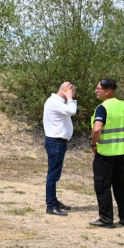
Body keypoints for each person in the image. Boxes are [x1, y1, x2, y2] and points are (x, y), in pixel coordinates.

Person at [89, 78, 124, 228]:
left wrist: (93, 143)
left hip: (105, 153)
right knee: (119, 185)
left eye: (98, 88)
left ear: (107, 91)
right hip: (120, 153)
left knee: (102, 186)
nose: (96, 90)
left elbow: (97, 129)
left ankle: (106, 219)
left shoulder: (102, 107)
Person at [42, 81, 77, 216]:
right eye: (72, 92)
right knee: (53, 174)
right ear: (66, 90)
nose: (73, 96)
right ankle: (51, 205)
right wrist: (69, 97)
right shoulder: (55, 102)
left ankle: (53, 201)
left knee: (54, 174)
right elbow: (72, 110)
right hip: (55, 142)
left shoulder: (56, 102)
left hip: (58, 142)